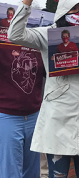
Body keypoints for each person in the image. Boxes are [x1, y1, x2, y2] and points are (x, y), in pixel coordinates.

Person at [8, 0, 79, 178]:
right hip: (59, 121)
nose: (78, 14)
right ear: (63, 13)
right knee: (58, 174)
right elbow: (15, 35)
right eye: (73, 10)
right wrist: (28, 0)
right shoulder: (48, 35)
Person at [0, 43, 44, 178]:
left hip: (34, 114)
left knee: (33, 172)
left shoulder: (38, 34)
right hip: (7, 115)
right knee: (10, 172)